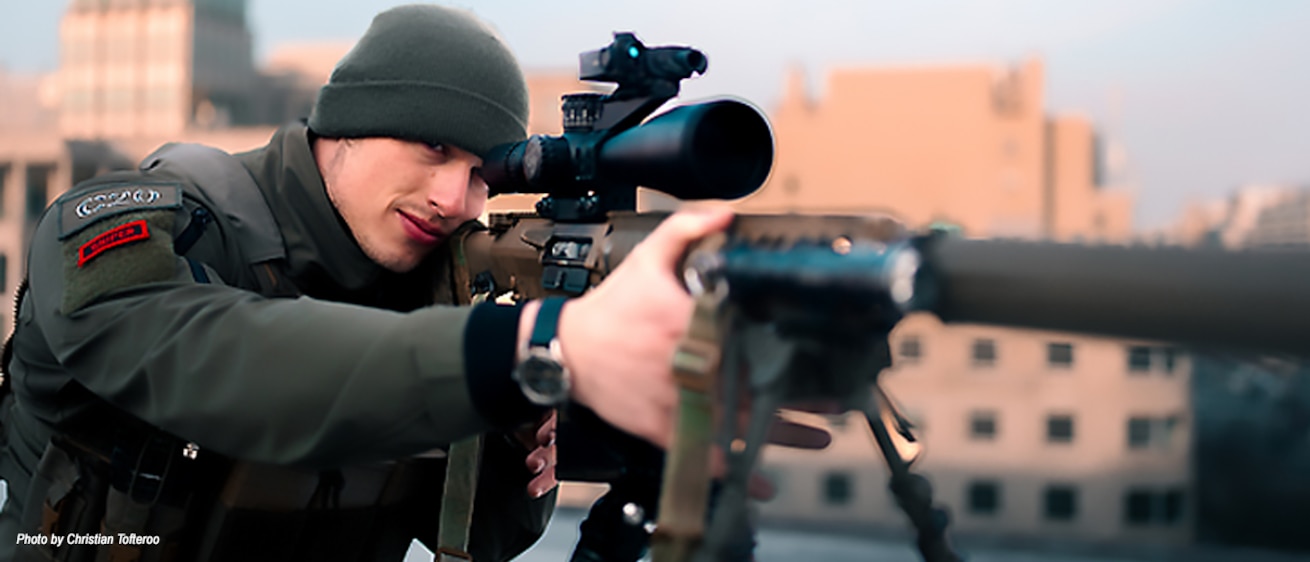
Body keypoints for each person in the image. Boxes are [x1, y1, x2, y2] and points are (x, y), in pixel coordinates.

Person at [0, 4, 737, 561]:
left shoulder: (431, 278)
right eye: (431, 146)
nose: (455, 199)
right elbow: (216, 358)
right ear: (344, 126)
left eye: (483, 175)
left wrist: (517, 429)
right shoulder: (141, 225)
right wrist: (518, 345)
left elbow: (480, 537)